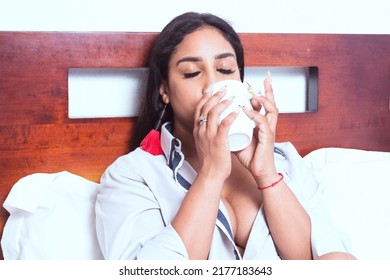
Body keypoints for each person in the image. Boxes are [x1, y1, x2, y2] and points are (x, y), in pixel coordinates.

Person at [95, 12, 356, 260]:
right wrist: (211, 173)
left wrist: (266, 174)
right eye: (192, 73)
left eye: (226, 69)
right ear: (165, 90)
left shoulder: (283, 159)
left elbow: (311, 260)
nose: (212, 85)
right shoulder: (132, 175)